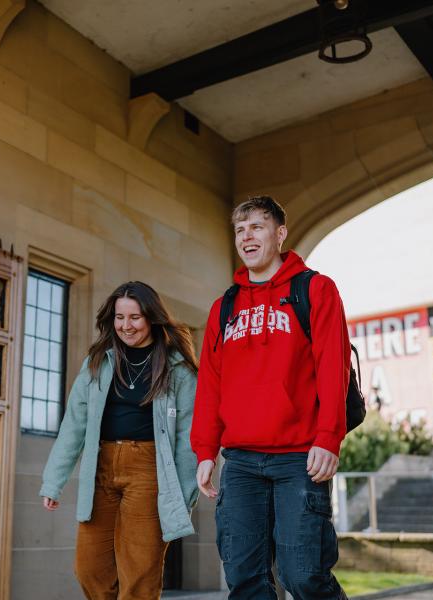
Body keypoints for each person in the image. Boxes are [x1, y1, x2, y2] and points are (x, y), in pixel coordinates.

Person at [191, 196, 351, 599]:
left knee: (304, 577)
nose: (247, 237)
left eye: (257, 227)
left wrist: (328, 436)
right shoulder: (223, 307)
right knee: (245, 581)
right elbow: (211, 383)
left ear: (280, 233)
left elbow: (334, 368)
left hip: (299, 459)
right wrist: (206, 450)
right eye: (240, 230)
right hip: (241, 462)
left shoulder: (315, 289)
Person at [40, 281, 199, 600]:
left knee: (140, 572)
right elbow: (74, 424)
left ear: (152, 317)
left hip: (149, 471)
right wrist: (52, 482)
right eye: (119, 317)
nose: (126, 326)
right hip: (101, 469)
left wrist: (183, 495)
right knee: (89, 568)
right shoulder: (99, 362)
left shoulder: (177, 368)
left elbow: (187, 437)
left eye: (135, 317)